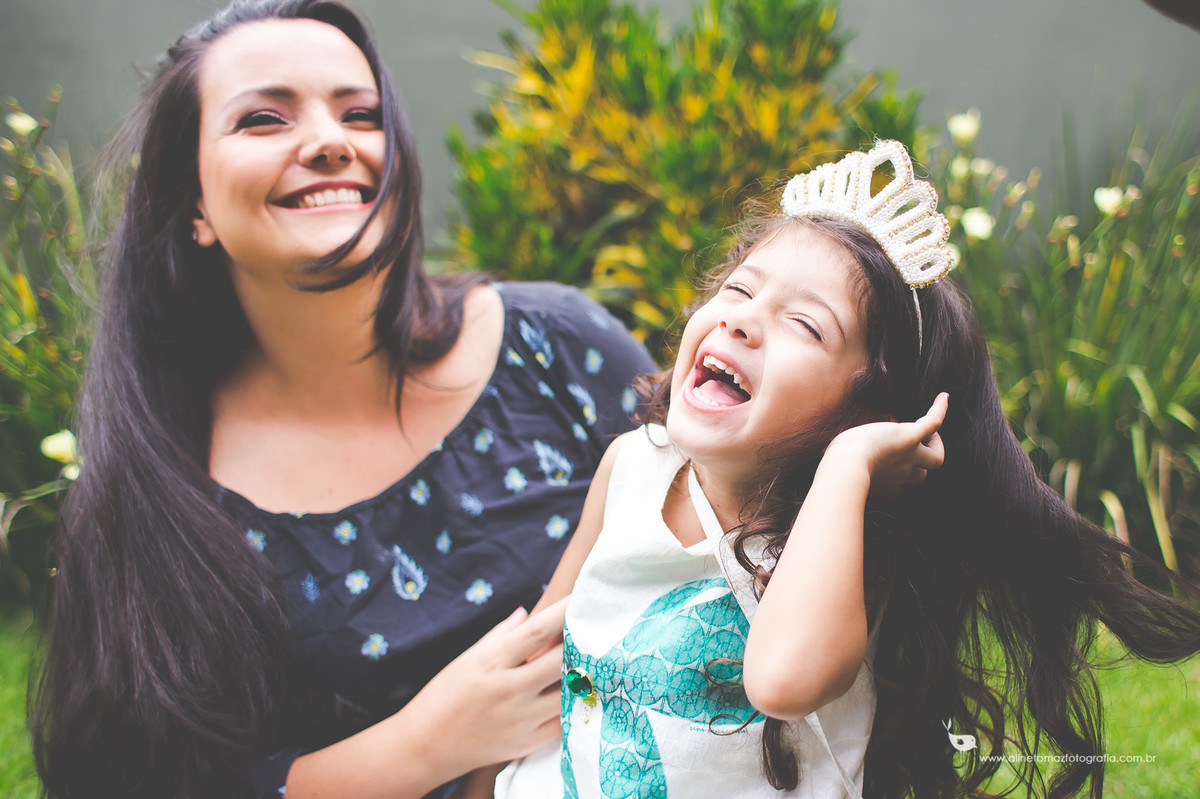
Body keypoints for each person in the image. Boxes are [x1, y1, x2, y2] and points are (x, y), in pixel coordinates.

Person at [28, 1, 655, 797]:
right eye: (263, 118)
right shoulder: (149, 488)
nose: (331, 141)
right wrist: (426, 745)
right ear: (191, 204)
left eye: (362, 114)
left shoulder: (558, 347)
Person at [495, 141, 1200, 798]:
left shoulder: (837, 546)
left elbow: (780, 680)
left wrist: (847, 465)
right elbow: (544, 663)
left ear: (864, 408)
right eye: (739, 290)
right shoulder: (630, 468)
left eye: (806, 325)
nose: (743, 321)